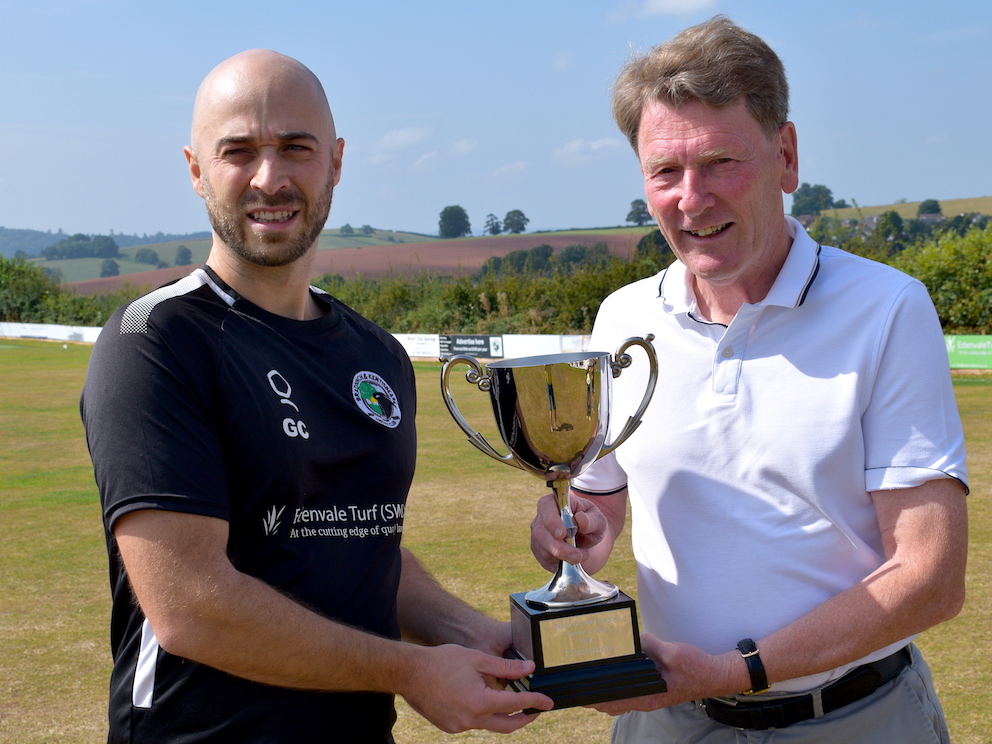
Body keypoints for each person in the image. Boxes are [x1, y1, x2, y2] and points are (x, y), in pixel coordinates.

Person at [81, 49, 552, 744]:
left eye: (295, 148)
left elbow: (359, 546)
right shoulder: (155, 340)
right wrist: (411, 671)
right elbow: (190, 607)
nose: (269, 178)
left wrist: (473, 636)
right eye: (238, 150)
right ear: (195, 170)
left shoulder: (377, 354)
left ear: (334, 161)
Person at [530, 16, 968, 743]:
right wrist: (577, 531)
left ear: (786, 157)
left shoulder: (885, 308)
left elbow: (930, 574)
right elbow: (601, 500)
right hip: (667, 721)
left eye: (720, 162)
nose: (691, 199)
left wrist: (739, 670)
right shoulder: (623, 317)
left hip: (853, 719)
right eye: (665, 172)